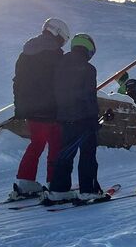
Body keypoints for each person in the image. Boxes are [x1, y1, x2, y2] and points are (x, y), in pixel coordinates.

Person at [44, 33, 109, 204]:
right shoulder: (88, 69)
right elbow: (88, 96)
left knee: (65, 154)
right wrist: (94, 119)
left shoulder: (59, 66)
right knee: (88, 154)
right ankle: (89, 190)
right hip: (84, 119)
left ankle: (59, 189)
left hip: (64, 118)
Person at [10, 18, 70, 200]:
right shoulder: (56, 56)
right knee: (56, 146)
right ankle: (55, 183)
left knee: (36, 144)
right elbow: (62, 84)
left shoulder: (25, 54)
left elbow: (17, 83)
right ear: (58, 34)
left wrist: (20, 108)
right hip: (52, 110)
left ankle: (25, 182)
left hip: (31, 111)